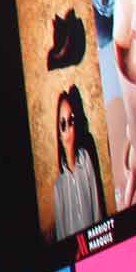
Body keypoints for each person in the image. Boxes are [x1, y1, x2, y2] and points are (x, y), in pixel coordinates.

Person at [50, 84, 106, 237]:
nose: (68, 128)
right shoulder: (58, 187)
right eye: (63, 124)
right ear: (59, 134)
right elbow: (62, 235)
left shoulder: (86, 159)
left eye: (71, 120)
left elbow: (97, 210)